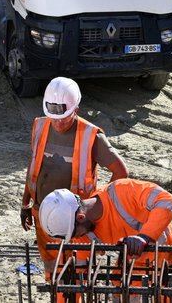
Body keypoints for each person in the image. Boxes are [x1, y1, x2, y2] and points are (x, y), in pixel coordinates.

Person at [22, 77, 128, 277]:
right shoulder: (40, 126)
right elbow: (34, 165)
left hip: (75, 223)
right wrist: (25, 203)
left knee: (77, 274)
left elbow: (121, 171)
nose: (58, 122)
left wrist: (98, 205)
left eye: (64, 117)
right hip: (42, 214)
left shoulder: (91, 136)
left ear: (75, 110)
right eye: (54, 117)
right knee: (51, 268)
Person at [38, 178, 172, 269]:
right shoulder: (83, 229)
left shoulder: (122, 191)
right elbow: (80, 271)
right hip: (130, 266)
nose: (76, 238)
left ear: (80, 217)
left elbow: (168, 201)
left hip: (165, 261)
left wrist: (144, 237)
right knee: (120, 293)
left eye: (74, 233)